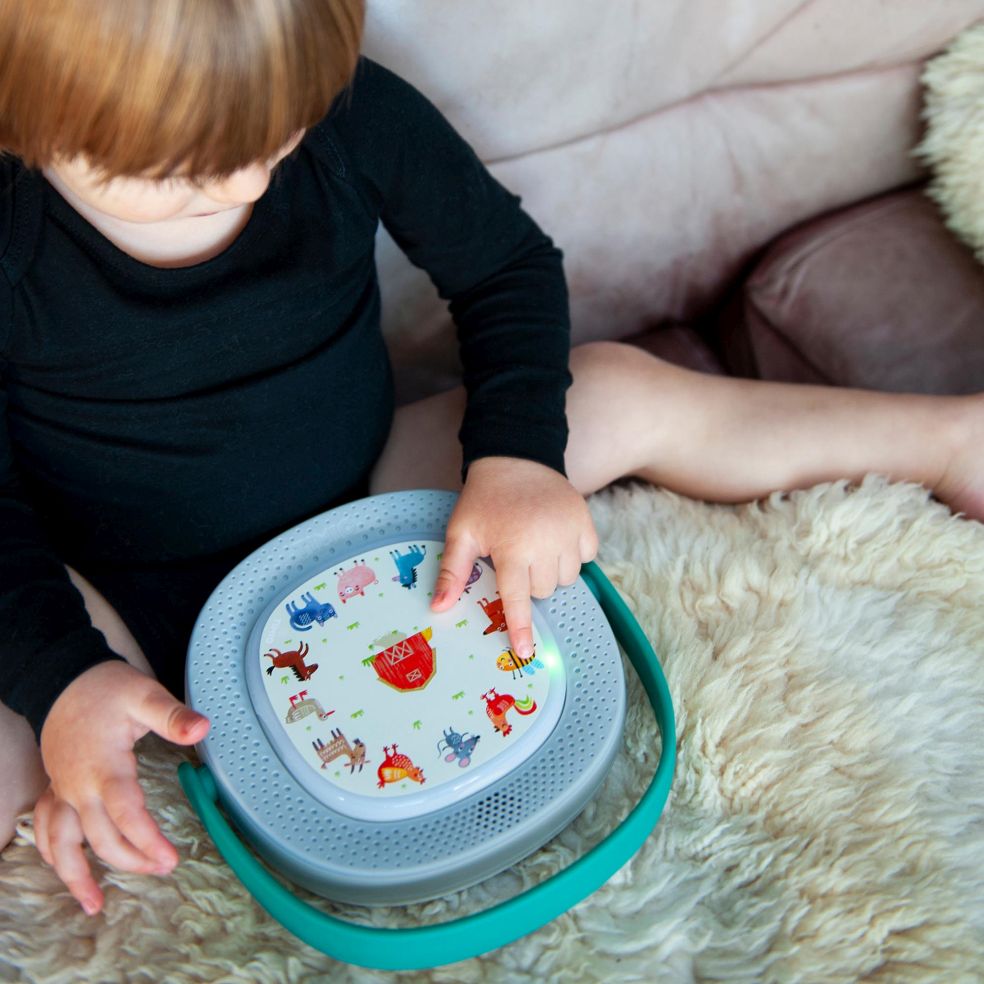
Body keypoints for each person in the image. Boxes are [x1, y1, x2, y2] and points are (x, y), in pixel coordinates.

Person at [0, 0, 980, 920]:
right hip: (110, 585)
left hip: (373, 492)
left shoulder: (354, 112)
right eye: (179, 170)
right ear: (27, 122)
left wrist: (515, 458)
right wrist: (62, 677)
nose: (244, 185)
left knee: (616, 387)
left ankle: (945, 438)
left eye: (277, 137)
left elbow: (506, 269)